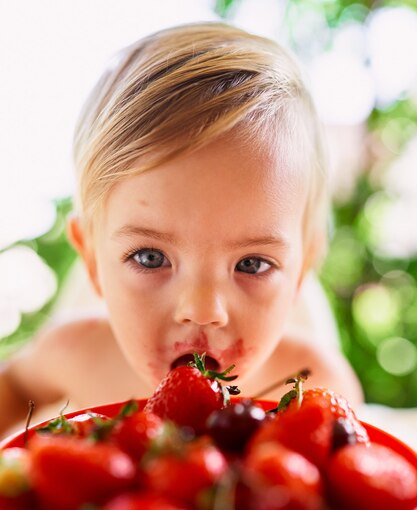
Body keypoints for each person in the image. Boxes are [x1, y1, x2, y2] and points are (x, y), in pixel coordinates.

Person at [0, 21, 363, 435]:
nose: (203, 310)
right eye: (150, 257)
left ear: (301, 271)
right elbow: (13, 384)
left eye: (252, 264)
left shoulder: (314, 387)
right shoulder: (77, 354)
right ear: (92, 260)